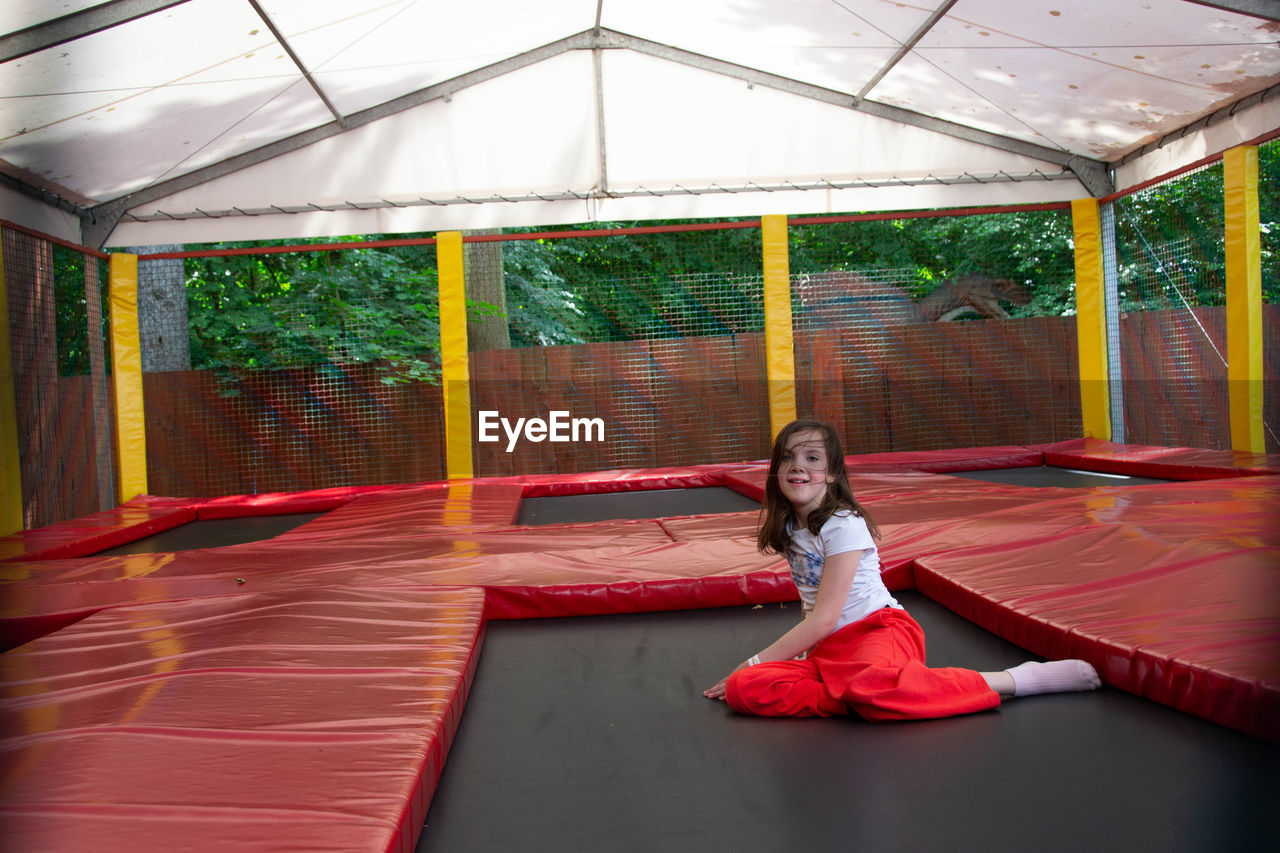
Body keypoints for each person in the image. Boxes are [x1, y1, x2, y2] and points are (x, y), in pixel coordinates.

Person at [703, 418, 1101, 720]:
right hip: (832, 652)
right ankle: (863, 695)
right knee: (743, 690)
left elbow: (824, 617)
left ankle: (1016, 680)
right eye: (788, 457)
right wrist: (765, 671)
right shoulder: (790, 527)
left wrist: (758, 661)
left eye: (812, 458)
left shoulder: (843, 524)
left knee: (862, 685)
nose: (797, 466)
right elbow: (814, 614)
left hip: (880, 631)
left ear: (834, 474)